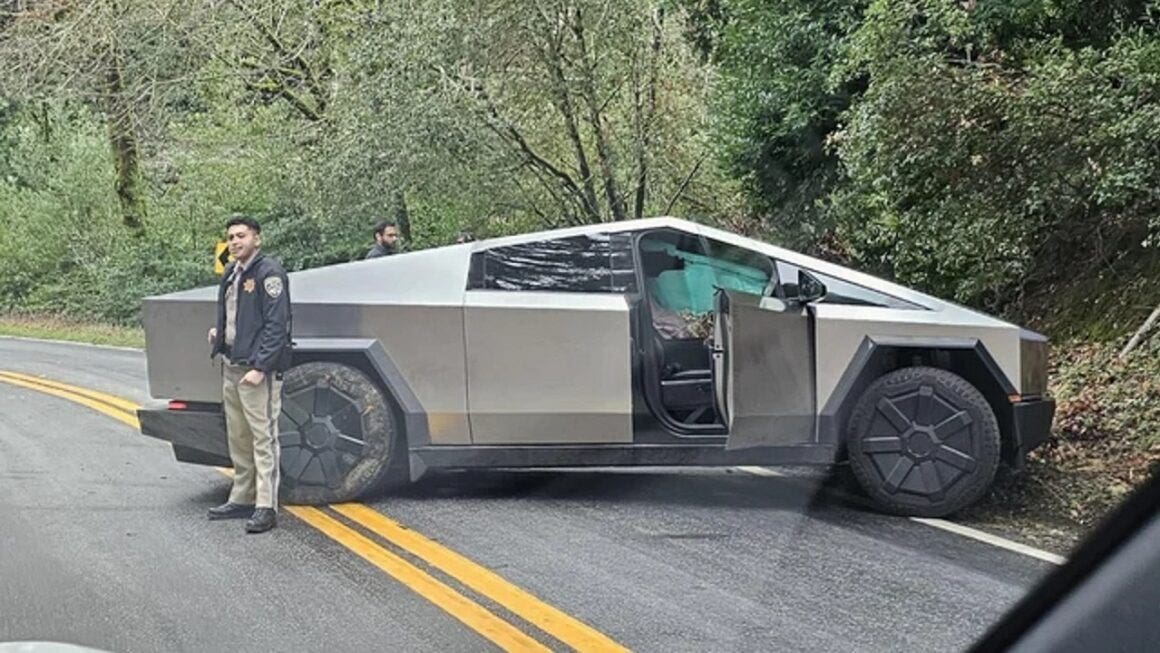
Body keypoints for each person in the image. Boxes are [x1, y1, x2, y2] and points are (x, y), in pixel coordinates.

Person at [206, 215, 293, 533]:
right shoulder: (231, 271)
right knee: (239, 437)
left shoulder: (269, 273)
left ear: (257, 239)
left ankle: (265, 506)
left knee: (263, 438)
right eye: (230, 237)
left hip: (257, 371)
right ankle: (242, 497)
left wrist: (261, 367)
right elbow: (236, 313)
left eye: (241, 235)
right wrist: (222, 332)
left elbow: (276, 325)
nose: (235, 241)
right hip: (232, 365)